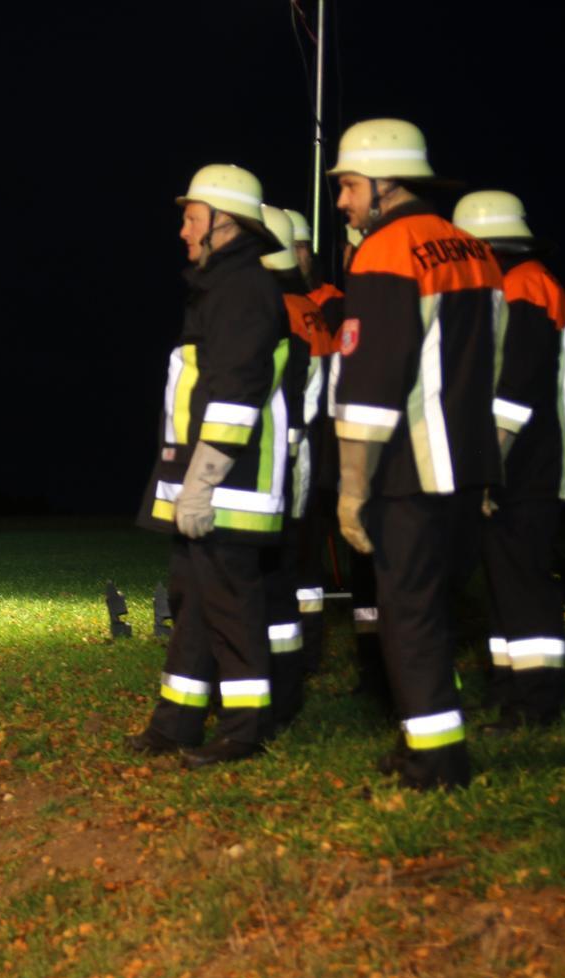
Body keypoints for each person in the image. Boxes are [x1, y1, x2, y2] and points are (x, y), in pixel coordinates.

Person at [328, 119, 505, 789]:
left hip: (406, 470)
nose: (341, 202)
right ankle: (428, 740)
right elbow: (488, 366)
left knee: (409, 615)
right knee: (434, 609)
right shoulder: (475, 250)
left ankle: (435, 759)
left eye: (347, 186)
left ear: (383, 183)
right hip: (465, 467)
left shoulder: (383, 251)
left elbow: (369, 383)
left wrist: (351, 485)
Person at [129, 164, 290, 768]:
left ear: (224, 223)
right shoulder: (222, 287)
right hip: (207, 482)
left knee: (230, 606)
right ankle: (176, 724)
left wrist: (202, 481)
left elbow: (235, 394)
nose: (182, 231)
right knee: (193, 604)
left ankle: (247, 732)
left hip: (231, 485)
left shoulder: (243, 289)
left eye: (191, 218)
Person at [453, 190, 565, 729]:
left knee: (523, 585)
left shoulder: (525, 287)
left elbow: (514, 391)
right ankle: (510, 691)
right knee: (504, 582)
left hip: (525, 468)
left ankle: (535, 703)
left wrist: (489, 465)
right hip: (516, 466)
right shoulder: (517, 285)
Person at [259, 203, 330, 727]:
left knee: (291, 565)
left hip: (291, 454)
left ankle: (299, 659)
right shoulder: (299, 306)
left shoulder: (302, 308)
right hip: (297, 452)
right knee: (294, 570)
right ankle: (297, 658)